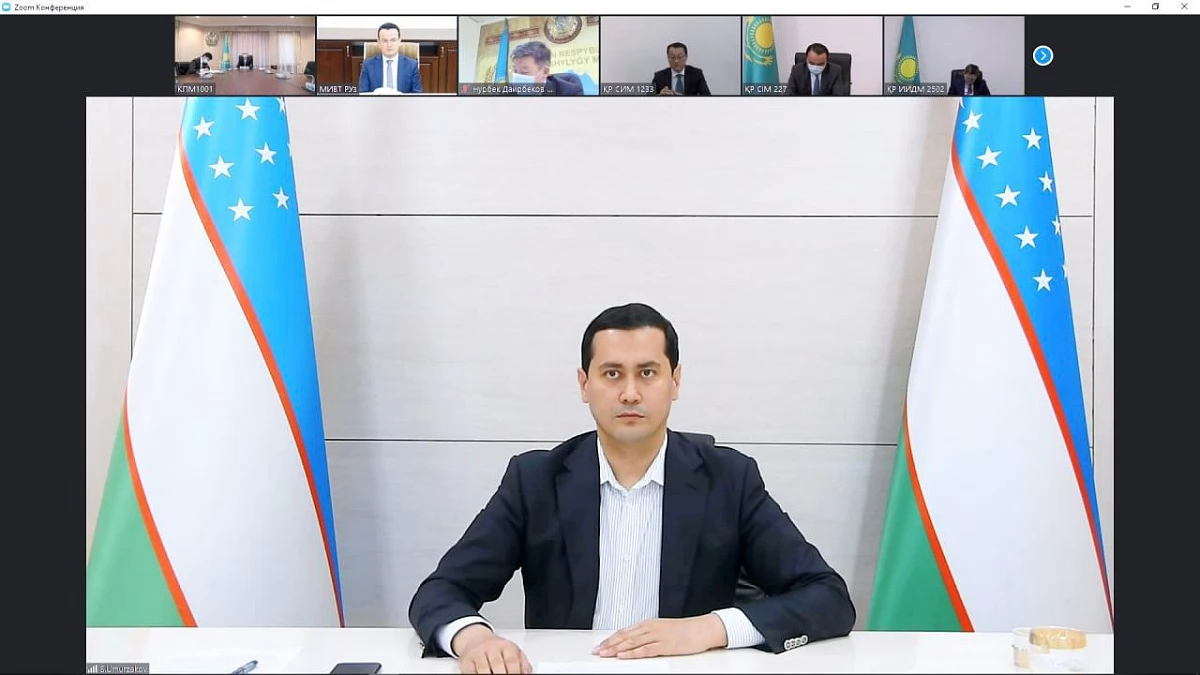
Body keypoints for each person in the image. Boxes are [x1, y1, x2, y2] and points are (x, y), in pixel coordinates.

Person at [409, 303, 856, 673]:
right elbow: (441, 590)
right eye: (611, 374)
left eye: (647, 373)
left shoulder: (729, 479)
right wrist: (474, 639)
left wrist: (708, 629)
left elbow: (828, 597)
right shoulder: (535, 480)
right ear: (584, 384)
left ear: (675, 381)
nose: (629, 393)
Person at [359, 22, 424, 93]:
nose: (389, 45)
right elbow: (363, 93)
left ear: (399, 41)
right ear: (379, 43)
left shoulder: (412, 65)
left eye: (393, 40)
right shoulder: (368, 65)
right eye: (385, 41)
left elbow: (417, 95)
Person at [509, 40, 584, 96]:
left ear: (545, 71)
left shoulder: (570, 93)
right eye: (515, 71)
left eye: (524, 72)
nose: (517, 77)